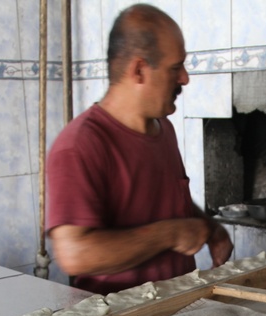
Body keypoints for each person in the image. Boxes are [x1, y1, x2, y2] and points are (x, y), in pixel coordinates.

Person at [46, 3, 232, 294]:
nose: (184, 78)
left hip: (178, 309)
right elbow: (74, 254)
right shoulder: (80, 145)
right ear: (139, 70)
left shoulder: (163, 128)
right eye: (175, 68)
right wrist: (169, 234)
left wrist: (210, 228)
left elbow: (169, 201)